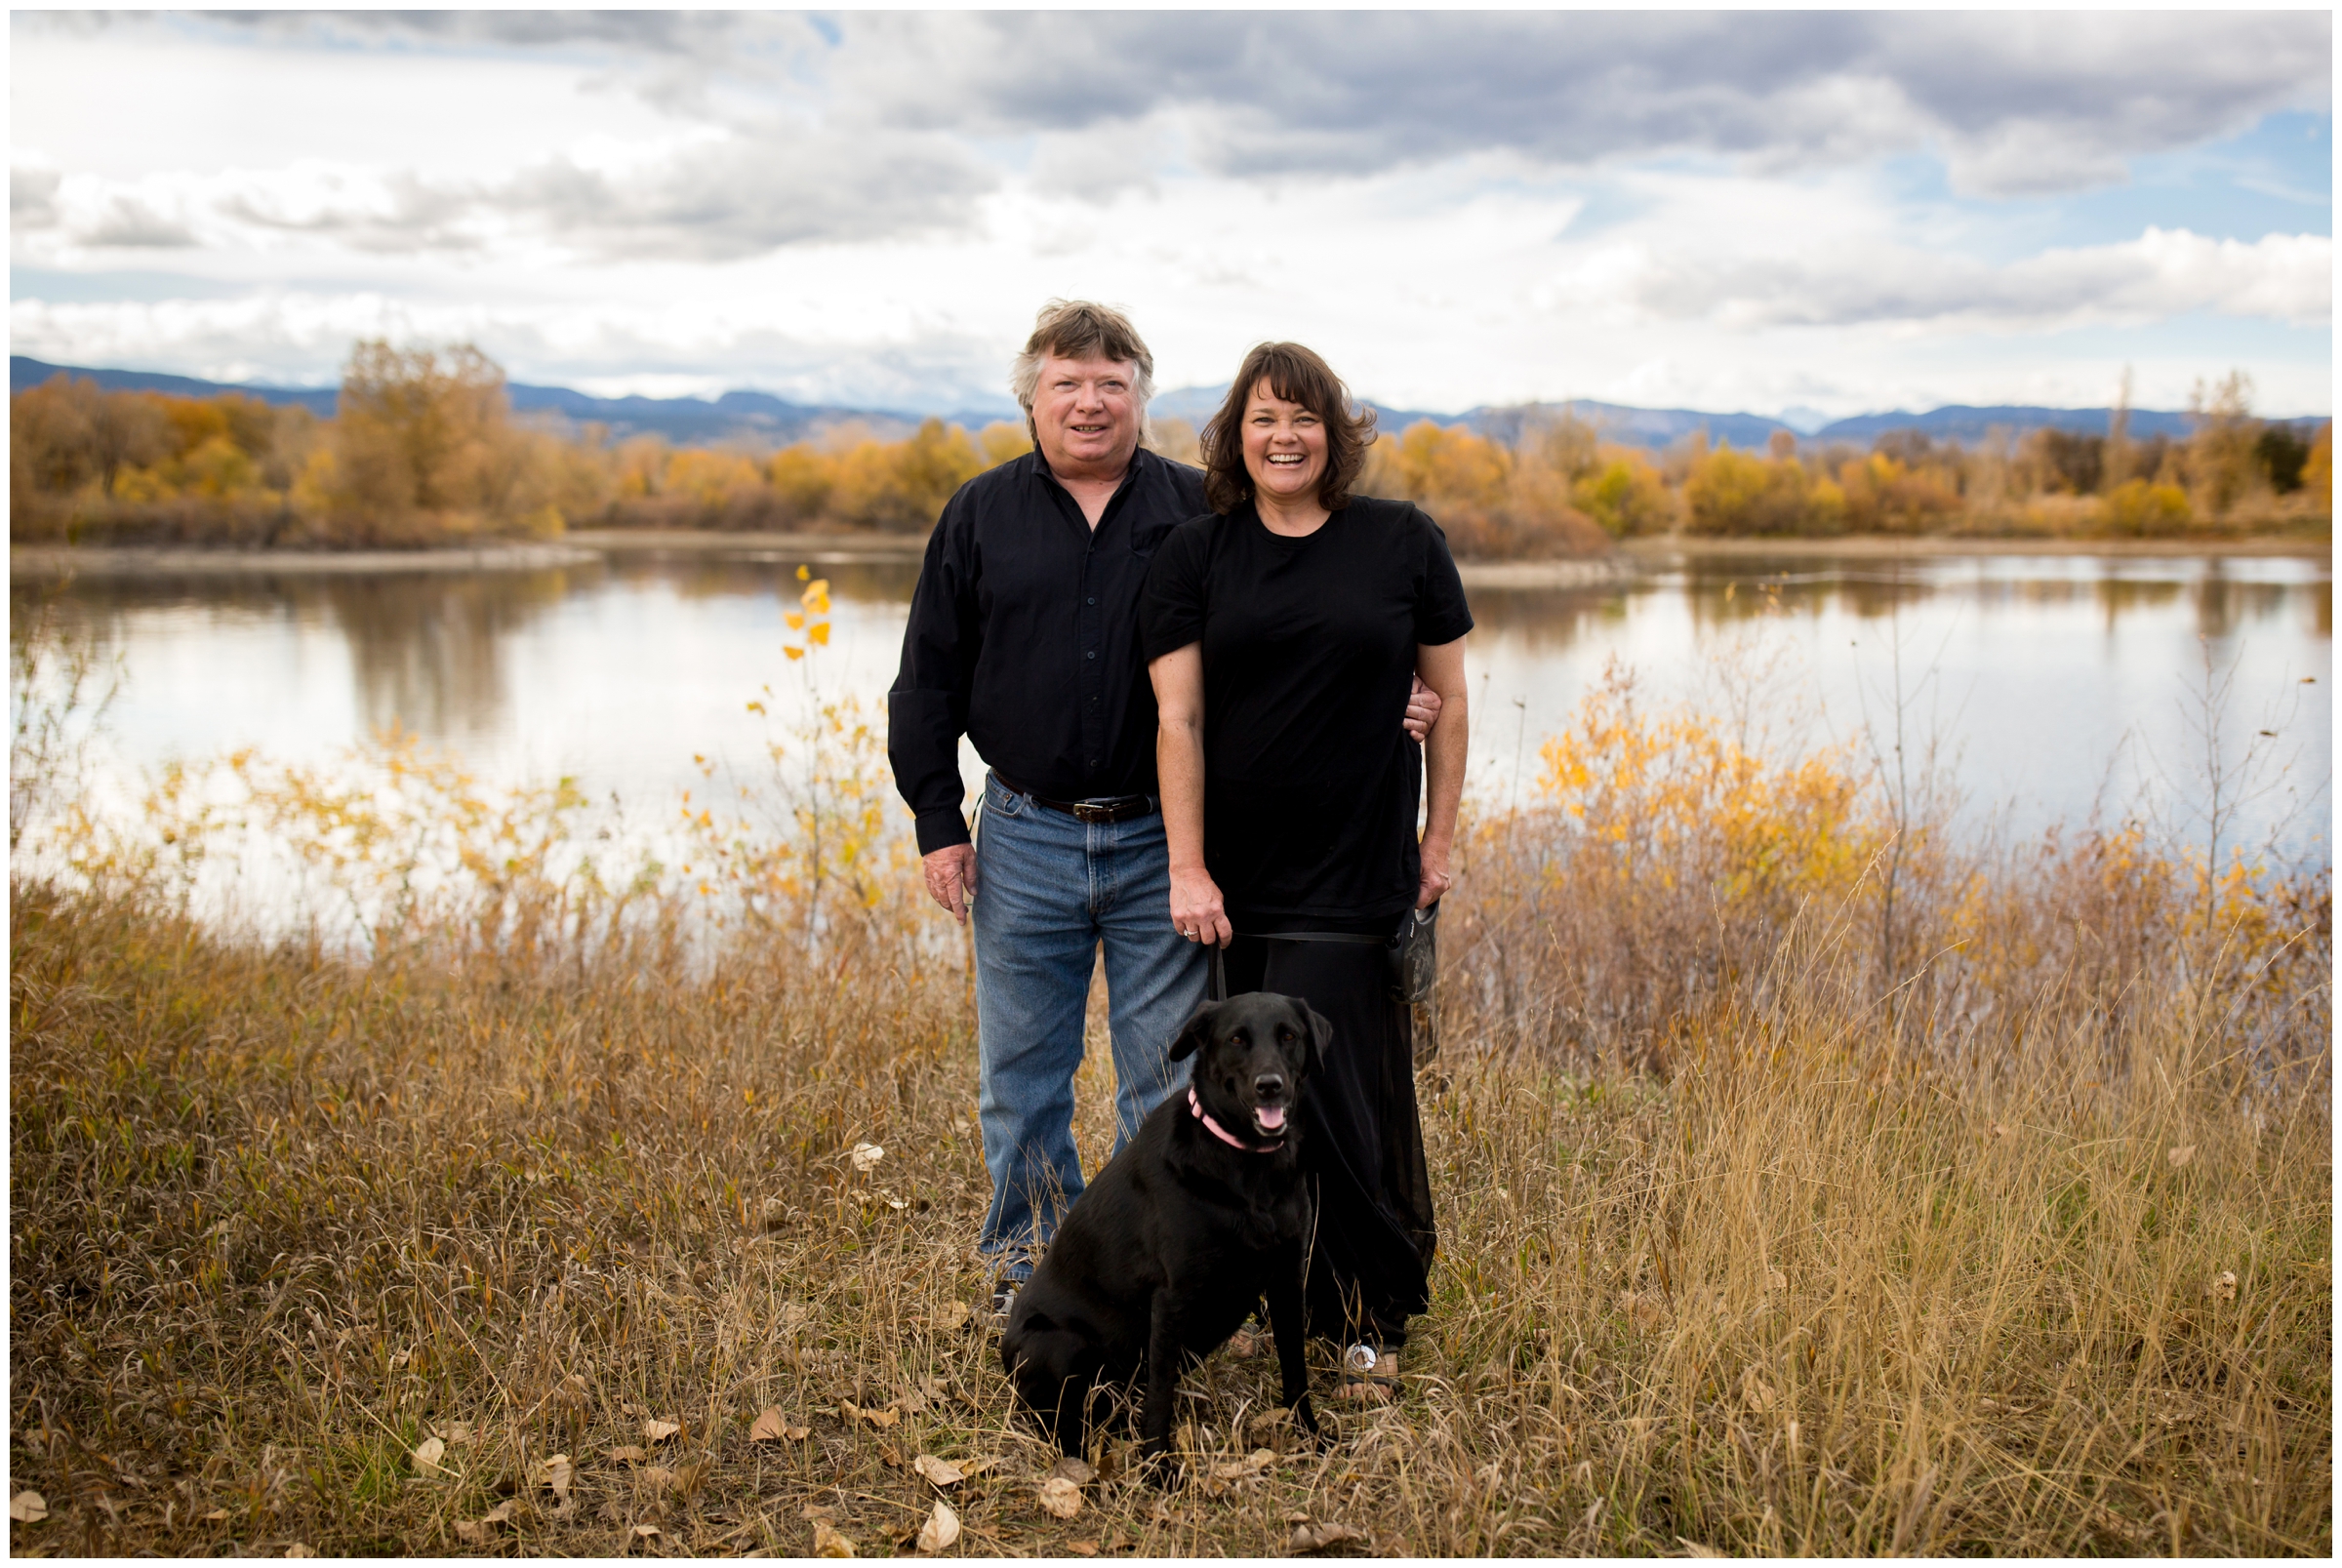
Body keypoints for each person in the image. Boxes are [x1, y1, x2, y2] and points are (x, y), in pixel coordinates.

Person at [887, 302, 1442, 1327]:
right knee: (1021, 1077)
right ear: (1032, 398)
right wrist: (937, 820)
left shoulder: (1201, 514)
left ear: (1141, 396)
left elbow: (1300, 619)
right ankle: (1029, 1267)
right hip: (1026, 829)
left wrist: (1386, 698)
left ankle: (1172, 1272)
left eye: (1111, 382)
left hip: (1165, 843)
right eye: (1067, 382)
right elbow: (925, 682)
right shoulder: (978, 515)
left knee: (1165, 1077)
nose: (1090, 402)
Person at [1141, 341, 1472, 1402]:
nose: (1284, 436)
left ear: (1336, 433)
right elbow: (1177, 716)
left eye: (1304, 417)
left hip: (1354, 871)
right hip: (1237, 883)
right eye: (1262, 418)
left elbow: (1449, 700)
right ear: (1236, 436)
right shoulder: (1198, 553)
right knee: (1248, 1100)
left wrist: (1440, 839)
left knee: (1337, 1097)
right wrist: (1188, 866)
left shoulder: (1401, 541)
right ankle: (1270, 1297)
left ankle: (1368, 1316)